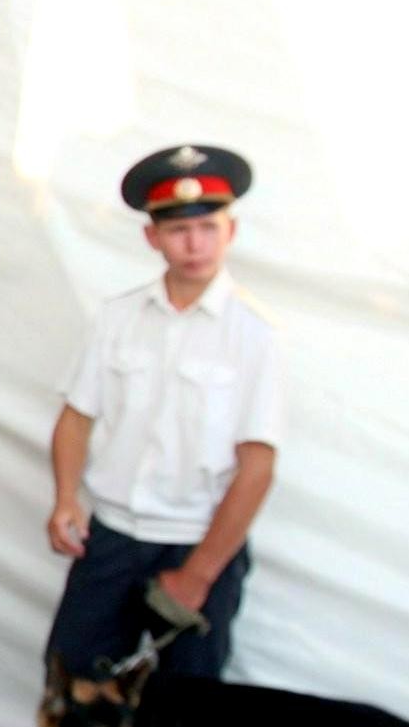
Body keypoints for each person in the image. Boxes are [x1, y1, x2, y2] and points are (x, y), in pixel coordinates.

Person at [42, 144, 284, 705]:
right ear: (152, 237)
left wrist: (198, 574)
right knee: (73, 689)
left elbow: (258, 468)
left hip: (197, 544)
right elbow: (76, 417)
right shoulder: (118, 317)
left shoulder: (255, 335)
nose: (194, 244)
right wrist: (66, 497)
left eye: (207, 227)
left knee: (184, 706)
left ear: (231, 231)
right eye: (178, 230)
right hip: (113, 538)